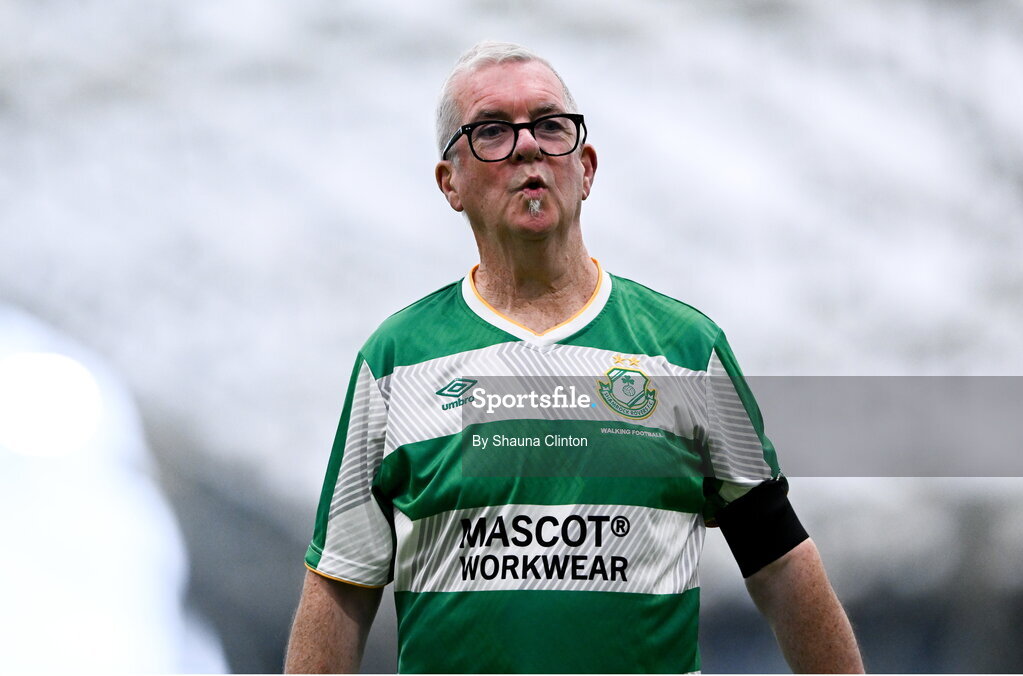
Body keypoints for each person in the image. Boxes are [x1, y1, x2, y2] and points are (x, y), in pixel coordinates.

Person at [285, 41, 863, 674]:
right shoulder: (395, 362)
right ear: (449, 181)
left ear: (586, 168)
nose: (529, 146)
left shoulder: (687, 353)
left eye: (550, 126)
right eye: (493, 132)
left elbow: (779, 561)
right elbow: (340, 584)